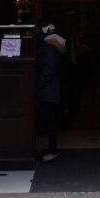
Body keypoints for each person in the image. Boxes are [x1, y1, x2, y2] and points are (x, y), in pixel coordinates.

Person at [35, 22, 66, 161]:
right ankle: (50, 149)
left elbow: (48, 69)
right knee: (50, 119)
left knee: (50, 120)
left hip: (48, 90)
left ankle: (52, 150)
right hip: (51, 89)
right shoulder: (51, 47)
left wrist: (39, 84)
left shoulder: (46, 48)